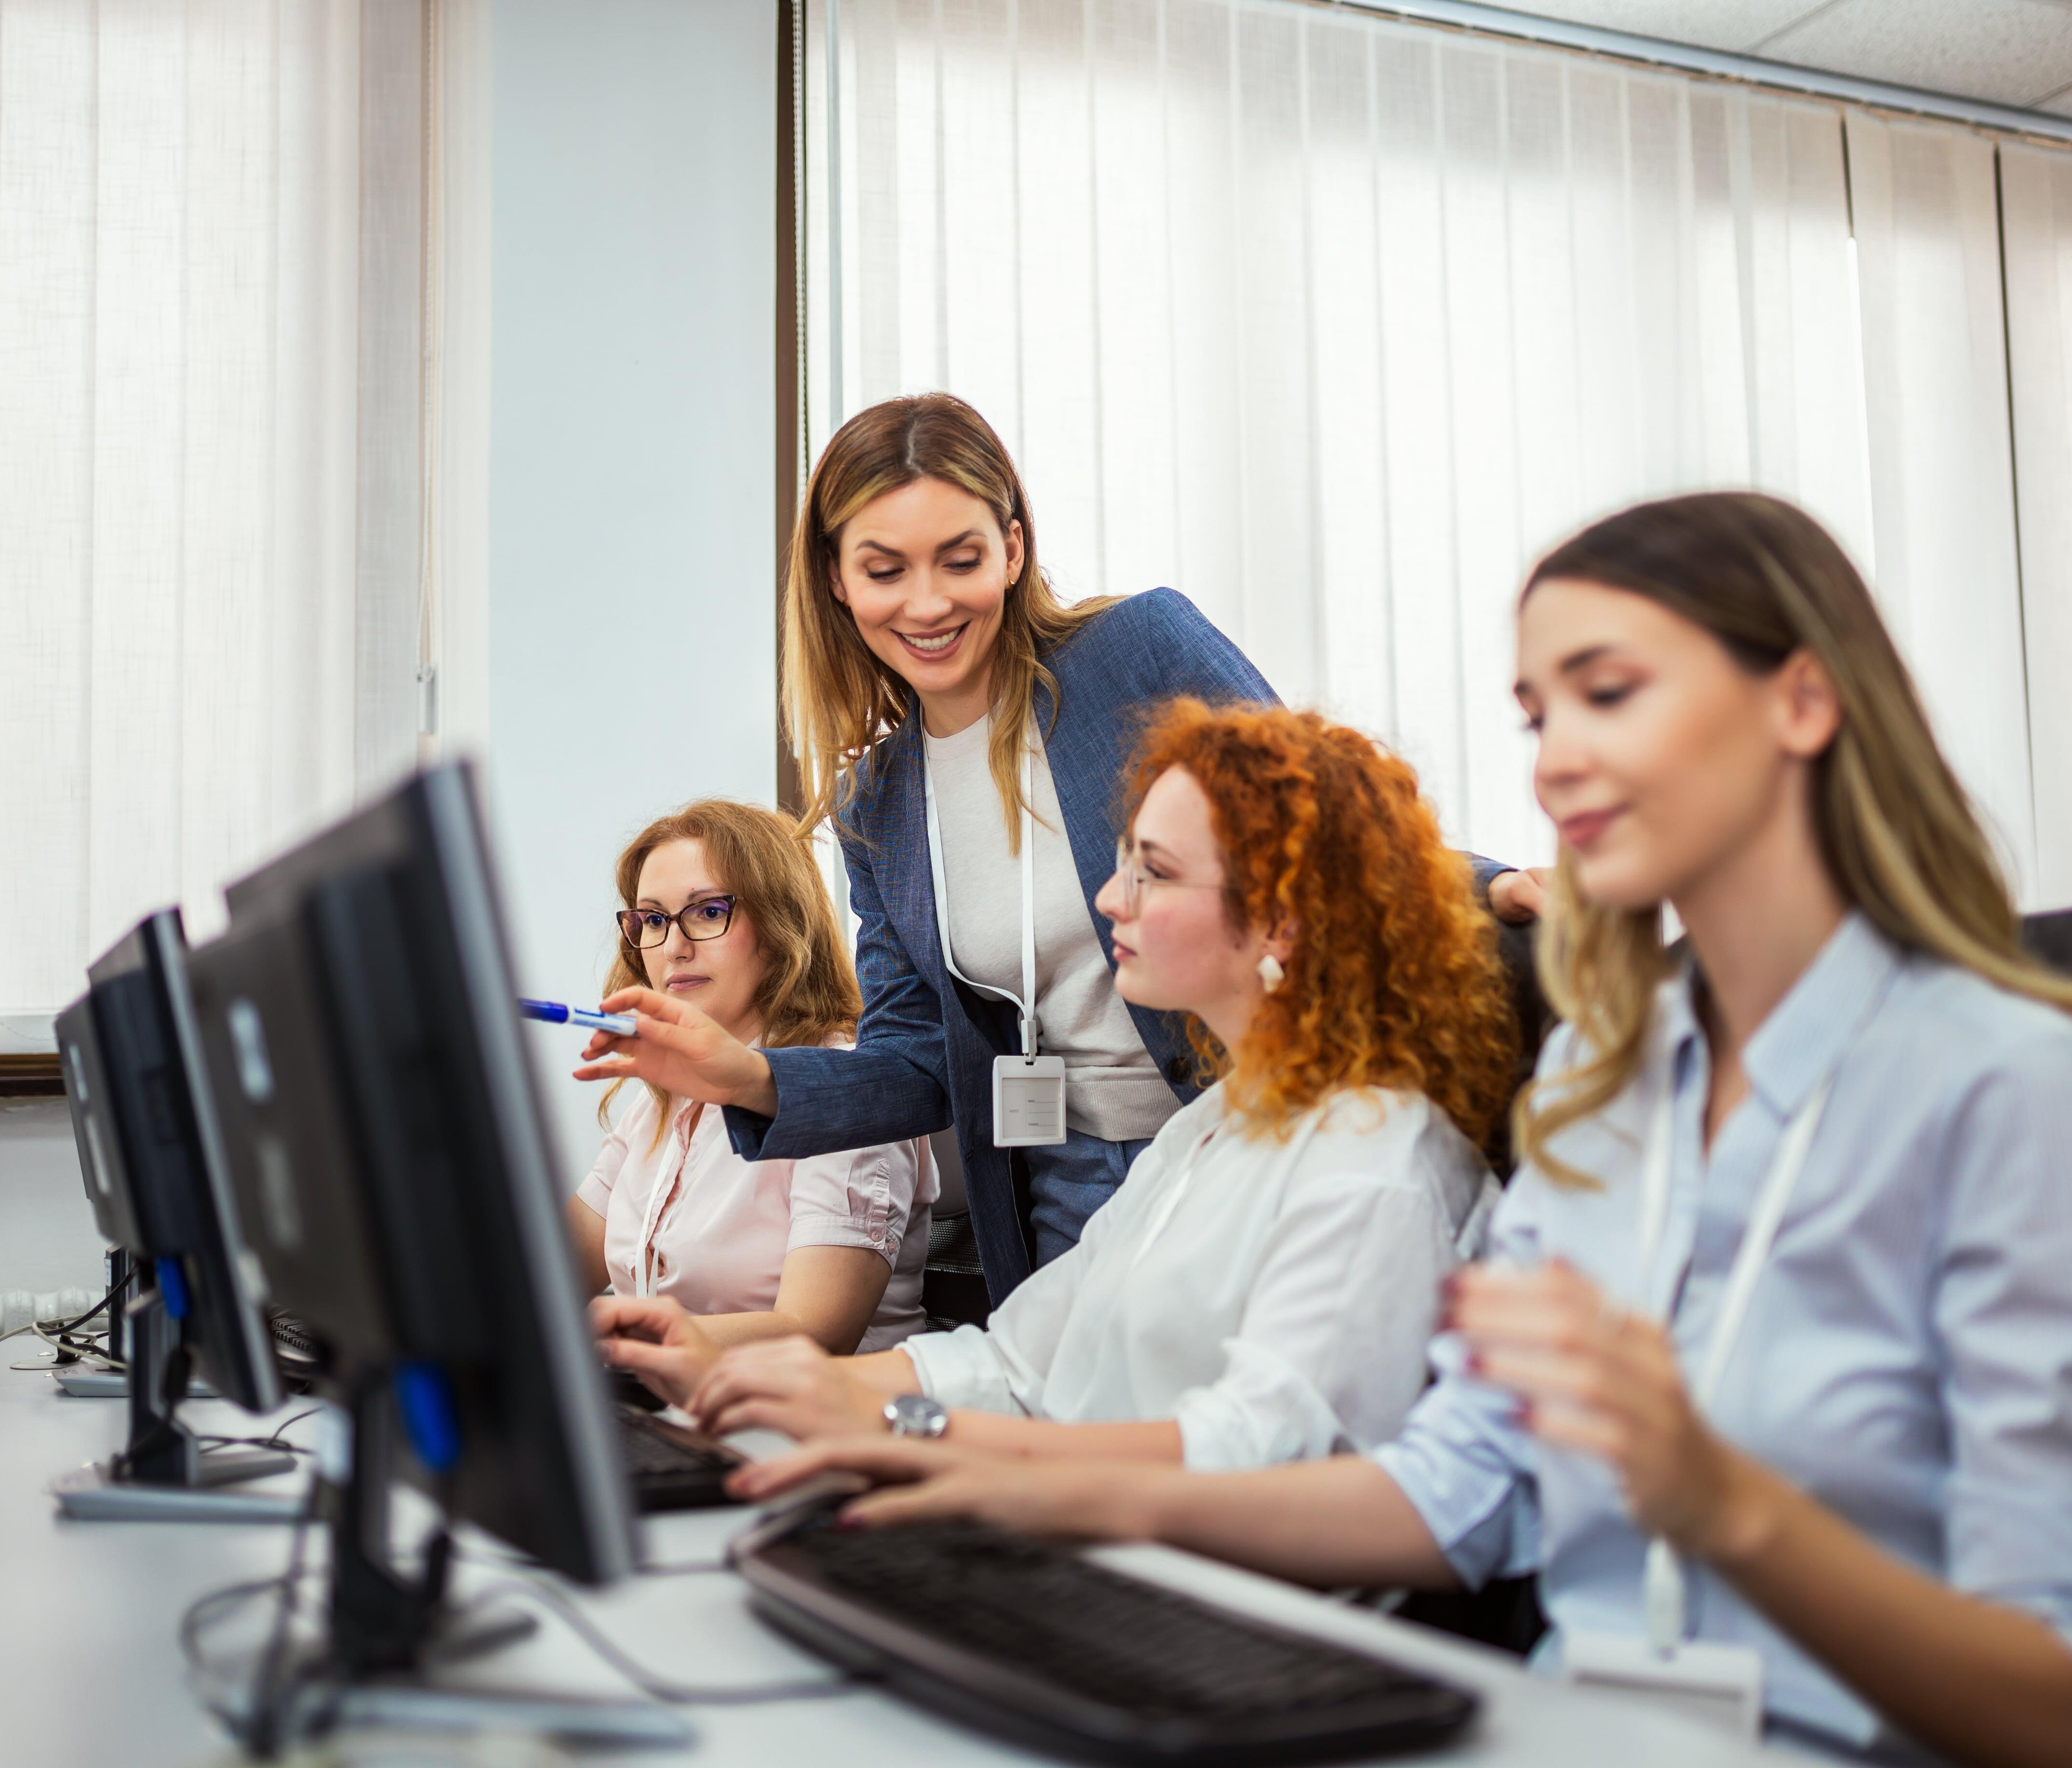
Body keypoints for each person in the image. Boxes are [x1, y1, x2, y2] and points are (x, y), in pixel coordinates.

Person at [735, 492, 2072, 1768]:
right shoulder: (1601, 1104)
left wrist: (1723, 1503)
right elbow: (1452, 1496)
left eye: (1607, 692)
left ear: (1801, 702)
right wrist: (1001, 1479)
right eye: (1538, 716)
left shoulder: (2010, 1087)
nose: (1554, 764)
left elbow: (2068, 1713)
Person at [573, 393, 1535, 1303]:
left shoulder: (1133, 653)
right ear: (835, 578)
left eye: (960, 558)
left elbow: (1319, 816)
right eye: (884, 569)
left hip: (1244, 1129)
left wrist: (1491, 888)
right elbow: (917, 1059)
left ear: (1013, 549)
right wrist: (744, 1076)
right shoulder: (880, 803)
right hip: (1061, 1180)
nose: (926, 603)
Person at [596, 701, 1517, 1470]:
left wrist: (923, 1440)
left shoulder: (1374, 1164)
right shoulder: (1203, 1137)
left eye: (1151, 871)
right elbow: (1014, 1360)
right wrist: (761, 1378)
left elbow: (1260, 1448)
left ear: (1280, 920)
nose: (1107, 899)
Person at [570, 799, 934, 1356]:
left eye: (709, 912)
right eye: (652, 920)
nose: (673, 947)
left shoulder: (849, 1090)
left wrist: (605, 1331)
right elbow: (555, 1267)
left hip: (812, 1426)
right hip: (675, 1415)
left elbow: (814, 1331)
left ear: (781, 924)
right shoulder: (662, 1101)